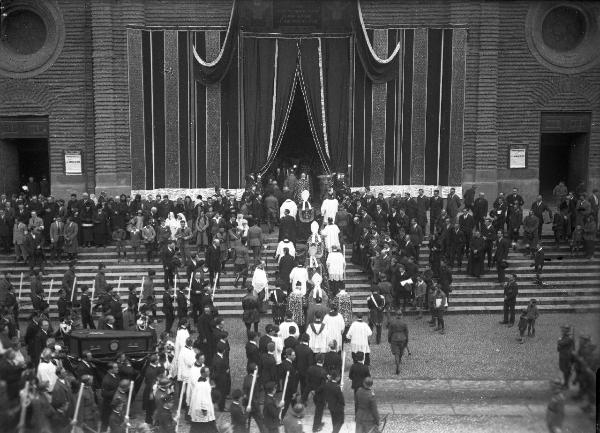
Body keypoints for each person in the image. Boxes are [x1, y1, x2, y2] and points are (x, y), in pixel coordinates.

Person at [188, 366, 217, 432]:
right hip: (203, 410)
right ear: (203, 373)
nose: (209, 372)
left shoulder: (203, 382)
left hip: (202, 408)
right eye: (207, 371)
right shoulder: (201, 385)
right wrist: (204, 409)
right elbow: (202, 398)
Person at [305, 353, 327, 432]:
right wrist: (316, 391)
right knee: (319, 411)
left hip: (313, 392)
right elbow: (323, 385)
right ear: (323, 361)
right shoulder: (323, 371)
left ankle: (318, 423)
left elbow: (307, 380)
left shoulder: (310, 368)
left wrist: (311, 389)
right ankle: (315, 428)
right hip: (320, 394)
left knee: (319, 410)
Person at [387, 310, 409, 374]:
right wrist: (407, 340)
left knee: (396, 353)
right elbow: (406, 332)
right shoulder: (404, 323)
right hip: (402, 338)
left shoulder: (392, 323)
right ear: (401, 315)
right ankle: (399, 360)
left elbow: (390, 332)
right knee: (401, 352)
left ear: (396, 315)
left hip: (394, 338)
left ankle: (398, 365)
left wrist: (389, 339)